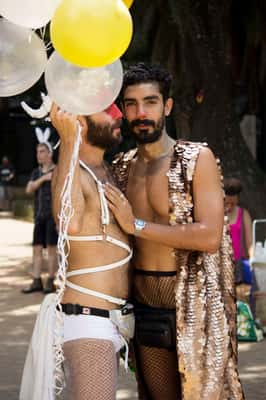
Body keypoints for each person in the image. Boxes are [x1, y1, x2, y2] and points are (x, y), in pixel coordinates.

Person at [105, 63, 244, 399]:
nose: (142, 112)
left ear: (167, 106)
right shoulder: (121, 167)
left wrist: (135, 224)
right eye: (132, 104)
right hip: (144, 304)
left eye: (150, 102)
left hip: (196, 305)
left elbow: (209, 236)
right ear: (122, 111)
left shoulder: (197, 158)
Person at [48, 103, 133, 400]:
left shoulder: (107, 170)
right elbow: (68, 223)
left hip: (114, 321)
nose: (119, 114)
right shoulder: (73, 171)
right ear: (79, 121)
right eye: (106, 109)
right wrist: (69, 141)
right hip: (88, 321)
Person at [22, 142, 58, 294]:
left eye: (42, 151)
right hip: (39, 217)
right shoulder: (36, 173)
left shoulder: (57, 171)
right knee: (36, 249)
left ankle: (51, 281)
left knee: (51, 249)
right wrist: (43, 179)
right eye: (37, 152)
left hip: (52, 217)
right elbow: (29, 189)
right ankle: (36, 281)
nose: (38, 155)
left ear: (50, 154)